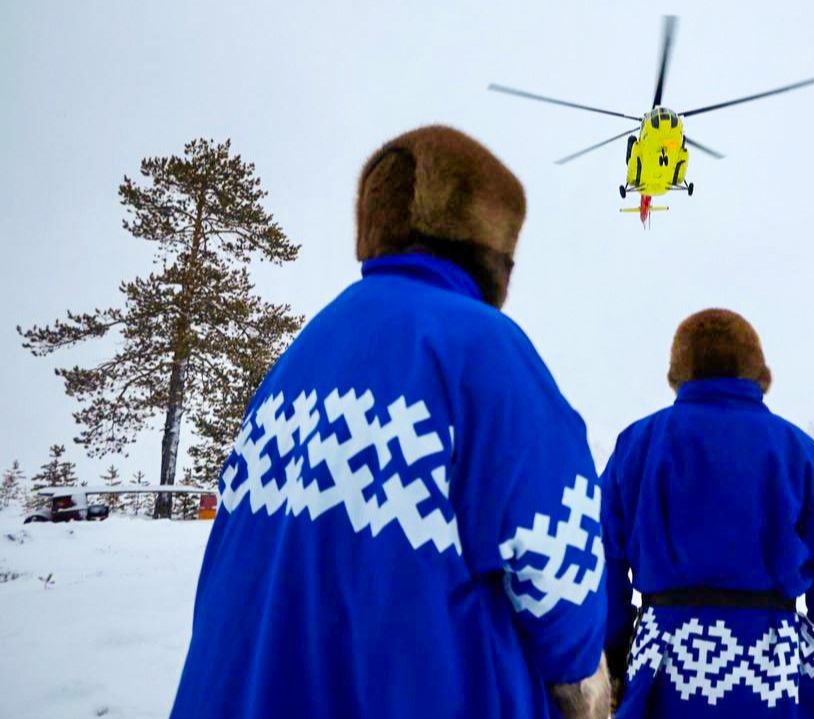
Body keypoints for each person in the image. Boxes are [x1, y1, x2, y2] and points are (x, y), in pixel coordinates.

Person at [171, 126, 610, 719]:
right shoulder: (483, 349)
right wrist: (581, 686)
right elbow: (561, 562)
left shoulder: (300, 357)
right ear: (491, 248)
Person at [603, 309, 814, 718]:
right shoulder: (797, 451)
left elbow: (604, 562)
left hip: (663, 668)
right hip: (771, 669)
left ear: (678, 374)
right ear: (758, 374)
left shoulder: (637, 445)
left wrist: (613, 653)